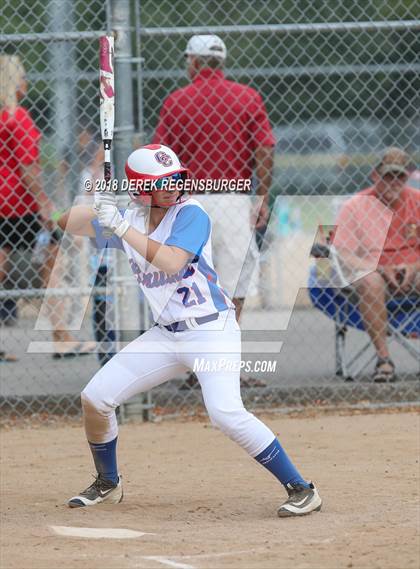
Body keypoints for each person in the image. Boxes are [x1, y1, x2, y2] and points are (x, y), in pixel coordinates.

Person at [58, 144, 322, 517]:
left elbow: (169, 261)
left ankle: (301, 488)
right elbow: (63, 221)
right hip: (165, 335)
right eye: (161, 182)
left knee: (225, 412)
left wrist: (120, 226)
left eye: (176, 178)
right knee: (95, 398)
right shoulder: (129, 219)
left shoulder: (191, 213)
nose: (173, 186)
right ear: (139, 189)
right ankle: (108, 482)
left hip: (212, 331)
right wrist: (97, 204)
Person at [153, 35, 275, 387]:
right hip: (233, 196)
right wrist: (262, 195)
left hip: (188, 200)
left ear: (194, 62)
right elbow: (265, 147)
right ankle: (225, 366)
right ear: (221, 62)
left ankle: (198, 366)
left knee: (191, 284)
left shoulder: (176, 101)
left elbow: (163, 157)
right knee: (233, 285)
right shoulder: (247, 97)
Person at [0, 54, 94, 359]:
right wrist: (47, 209)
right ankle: (61, 337)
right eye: (23, 78)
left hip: (6, 206)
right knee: (55, 264)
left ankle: (60, 336)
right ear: (16, 84)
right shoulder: (19, 118)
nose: (27, 83)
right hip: (20, 205)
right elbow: (28, 170)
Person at [333, 147, 420, 382]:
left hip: (414, 271)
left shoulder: (417, 200)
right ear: (375, 175)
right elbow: (343, 254)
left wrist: (414, 265)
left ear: (407, 176)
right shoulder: (355, 205)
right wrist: (379, 268)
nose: (393, 181)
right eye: (387, 176)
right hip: (373, 272)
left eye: (399, 176)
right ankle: (384, 360)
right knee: (370, 281)